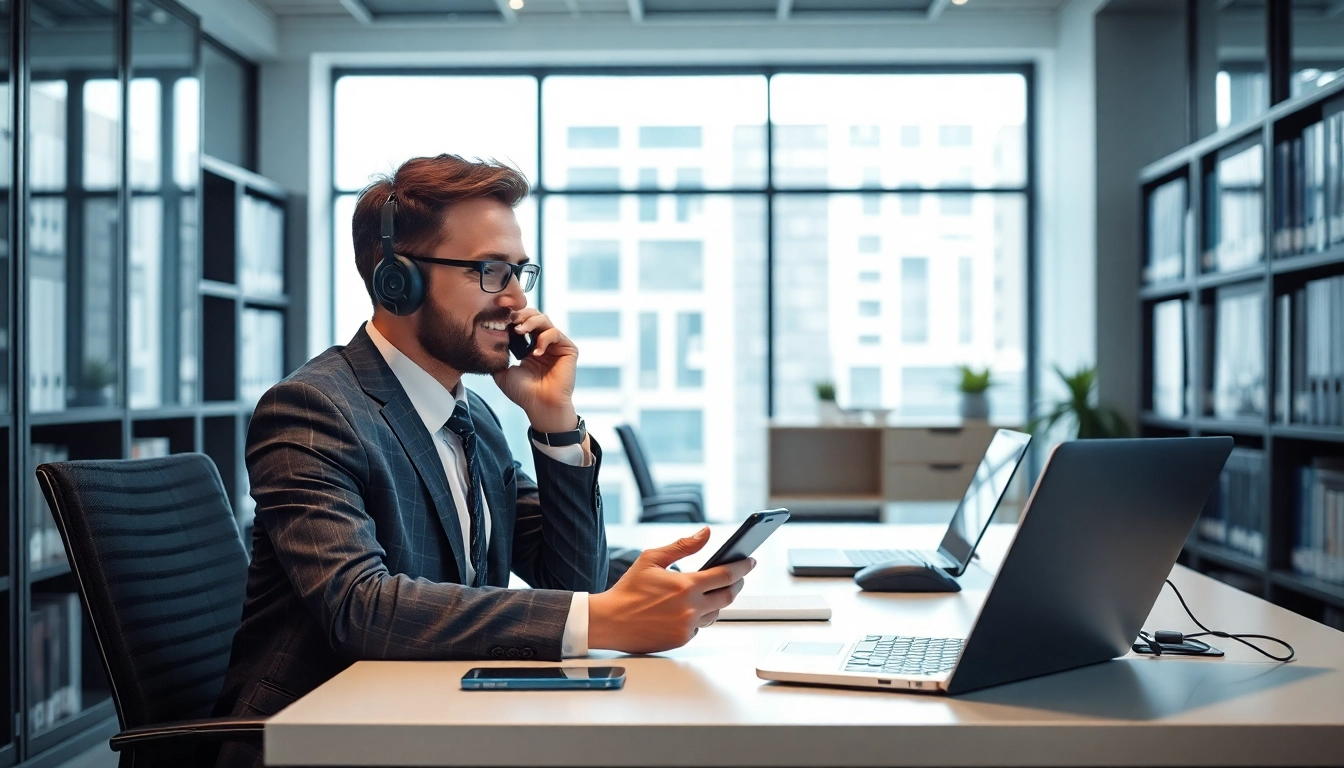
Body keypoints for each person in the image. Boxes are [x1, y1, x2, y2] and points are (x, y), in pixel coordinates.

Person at [213, 154, 755, 767]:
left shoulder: (474, 418)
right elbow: (360, 607)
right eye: (491, 271)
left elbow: (568, 580)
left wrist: (554, 422)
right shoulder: (313, 410)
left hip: (443, 717)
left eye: (520, 272)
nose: (518, 300)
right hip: (320, 738)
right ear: (399, 279)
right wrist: (602, 620)